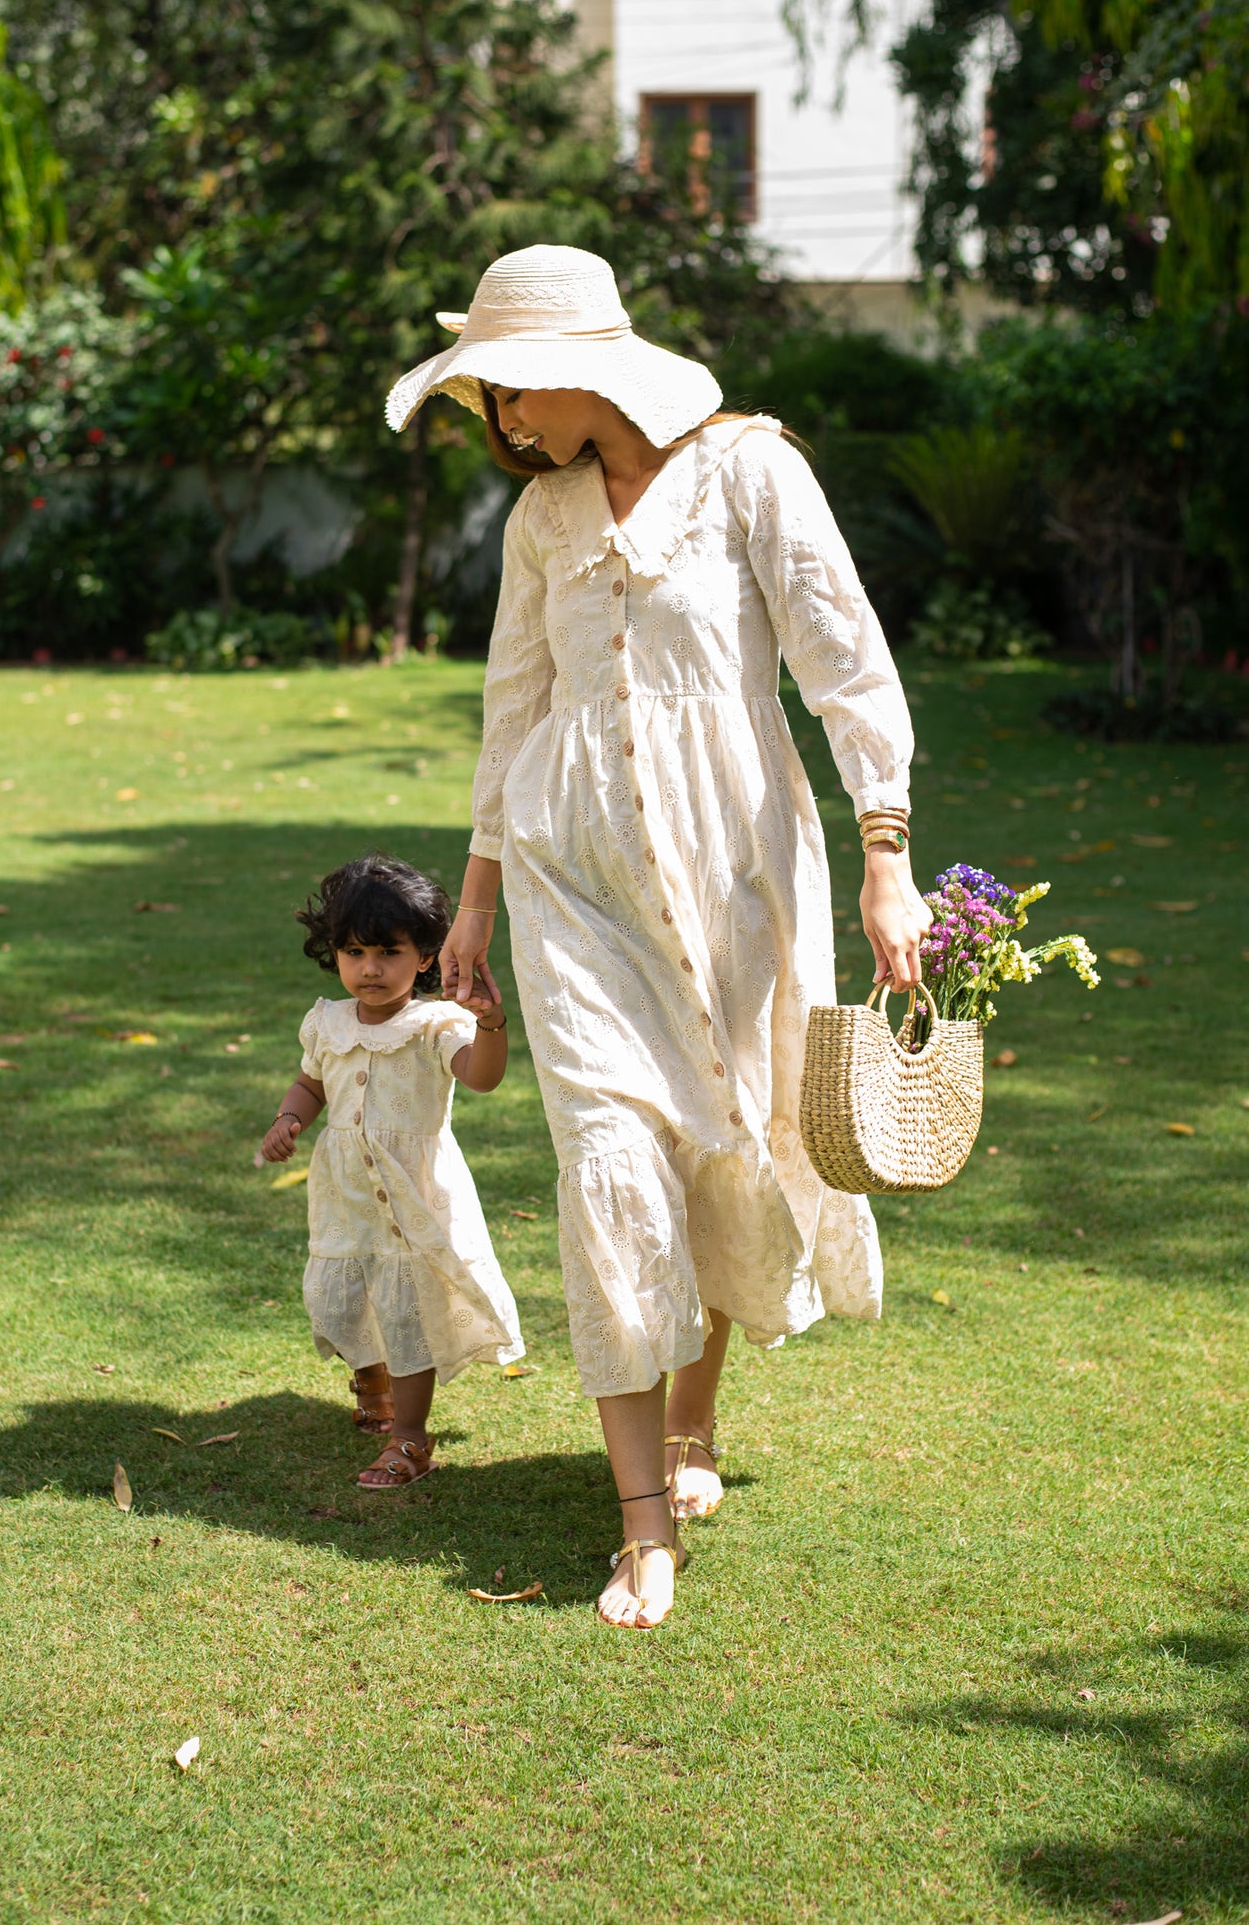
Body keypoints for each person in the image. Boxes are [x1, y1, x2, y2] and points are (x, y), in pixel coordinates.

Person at [385, 245, 930, 1624]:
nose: (499, 423)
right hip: (572, 883)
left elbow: (844, 662)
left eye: (507, 390)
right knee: (611, 1161)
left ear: (578, 369)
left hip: (738, 864)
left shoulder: (751, 471)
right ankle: (640, 1525)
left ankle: (693, 1427)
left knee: (726, 1144)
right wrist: (480, 901)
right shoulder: (541, 521)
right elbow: (513, 710)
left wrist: (887, 863)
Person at [259, 854, 525, 1488]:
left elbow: (481, 1077)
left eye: (387, 951)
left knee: (405, 1306)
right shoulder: (326, 1020)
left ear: (426, 957)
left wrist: (490, 1022)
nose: (369, 968)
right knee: (341, 1296)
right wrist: (289, 1118)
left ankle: (409, 1438)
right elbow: (311, 1081)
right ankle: (372, 1379)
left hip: (415, 1194)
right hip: (345, 1192)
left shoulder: (436, 1025)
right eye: (353, 952)